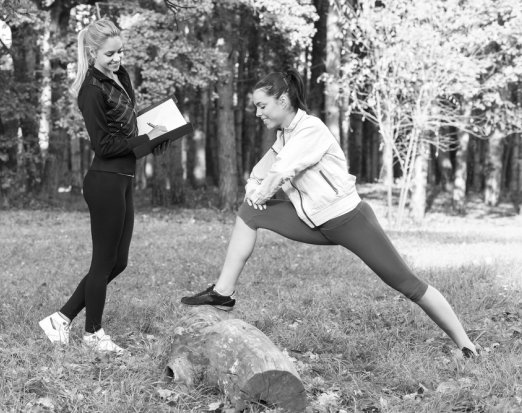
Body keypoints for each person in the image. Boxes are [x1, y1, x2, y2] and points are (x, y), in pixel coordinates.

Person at [181, 69, 479, 357]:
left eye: (262, 106)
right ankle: (223, 292)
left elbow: (282, 170)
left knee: (408, 285)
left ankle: (466, 345)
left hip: (349, 221)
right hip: (311, 222)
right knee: (249, 213)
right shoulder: (285, 135)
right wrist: (252, 188)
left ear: (283, 101)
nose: (258, 113)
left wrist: (261, 191)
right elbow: (262, 170)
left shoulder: (311, 129)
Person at [39, 18, 168, 354]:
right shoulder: (91, 90)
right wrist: (144, 139)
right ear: (93, 52)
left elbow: (129, 132)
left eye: (120, 51)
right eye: (110, 53)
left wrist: (156, 139)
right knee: (102, 262)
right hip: (105, 181)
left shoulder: (119, 78)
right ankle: (93, 333)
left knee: (118, 262)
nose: (117, 58)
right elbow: (105, 145)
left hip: (123, 180)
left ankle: (61, 319)